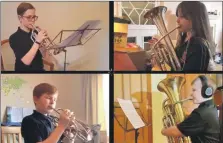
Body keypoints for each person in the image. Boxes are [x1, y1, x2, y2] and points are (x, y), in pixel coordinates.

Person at [161, 75, 220, 143]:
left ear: (206, 91)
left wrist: (163, 130)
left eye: (194, 90)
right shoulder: (210, 107)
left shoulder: (201, 114)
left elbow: (175, 132)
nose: (191, 94)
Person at [174, 1, 216, 71]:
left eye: (181, 16)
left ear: (194, 18)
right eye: (178, 16)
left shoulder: (198, 45)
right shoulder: (184, 38)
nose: (177, 20)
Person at [9, 2, 48, 71]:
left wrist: (43, 45)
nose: (33, 20)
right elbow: (26, 62)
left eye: (34, 17)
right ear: (20, 18)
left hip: (39, 69)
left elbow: (44, 55)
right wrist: (38, 41)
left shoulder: (35, 32)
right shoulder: (14, 38)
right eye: (29, 17)